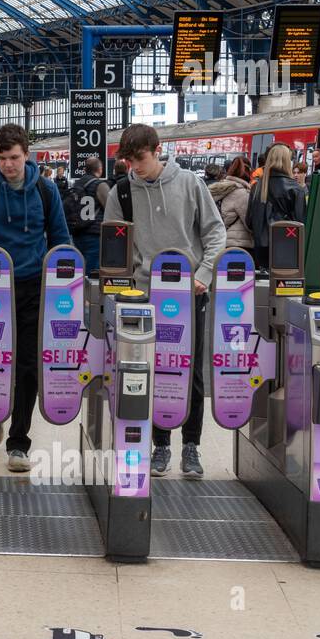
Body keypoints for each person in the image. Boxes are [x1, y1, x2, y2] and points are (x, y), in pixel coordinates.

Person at [104, 124, 226, 479]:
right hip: (144, 294)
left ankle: (191, 445)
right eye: (128, 161)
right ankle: (160, 445)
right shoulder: (123, 192)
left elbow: (215, 231)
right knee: (150, 369)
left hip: (190, 292)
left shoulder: (189, 183)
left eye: (139, 159)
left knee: (190, 371)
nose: (135, 167)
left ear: (157, 150)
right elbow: (115, 242)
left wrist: (204, 273)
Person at [0, 124, 70, 471]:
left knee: (28, 365)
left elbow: (60, 238)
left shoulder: (47, 192)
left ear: (27, 155)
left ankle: (18, 442)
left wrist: (69, 278)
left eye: (14, 158)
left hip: (35, 286)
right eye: (2, 158)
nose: (8, 165)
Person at [247, 144, 306, 271]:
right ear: (287, 161)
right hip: (286, 248)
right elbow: (300, 223)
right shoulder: (296, 189)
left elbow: (249, 221)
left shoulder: (257, 187)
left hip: (261, 249)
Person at [65, 155, 110, 274]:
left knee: (80, 268)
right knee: (92, 271)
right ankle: (87, 292)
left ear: (85, 169)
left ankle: (79, 290)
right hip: (94, 234)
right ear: (99, 169)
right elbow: (110, 209)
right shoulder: (100, 185)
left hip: (77, 232)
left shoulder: (76, 184)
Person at [211, 157, 255, 258]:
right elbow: (249, 223)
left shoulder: (219, 189)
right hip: (239, 244)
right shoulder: (242, 194)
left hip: (219, 242)